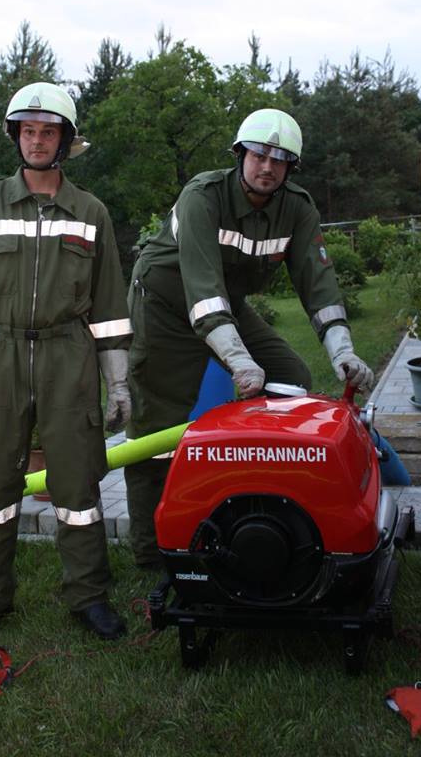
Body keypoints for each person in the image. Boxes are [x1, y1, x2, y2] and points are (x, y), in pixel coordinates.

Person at [124, 107, 374, 570]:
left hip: (226, 302)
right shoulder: (203, 196)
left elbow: (319, 286)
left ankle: (259, 490)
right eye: (258, 155)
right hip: (165, 306)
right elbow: (202, 289)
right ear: (239, 155)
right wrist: (239, 360)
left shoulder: (297, 208)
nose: (267, 167)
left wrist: (343, 351)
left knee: (290, 377)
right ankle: (151, 550)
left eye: (280, 160)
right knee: (157, 427)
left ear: (290, 168)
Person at [0, 81, 132, 643]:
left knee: (78, 484)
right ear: (16, 136)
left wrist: (119, 384)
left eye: (48, 131)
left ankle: (88, 596)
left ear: (65, 140)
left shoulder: (90, 212)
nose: (37, 140)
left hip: (67, 355)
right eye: (27, 130)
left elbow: (110, 310)